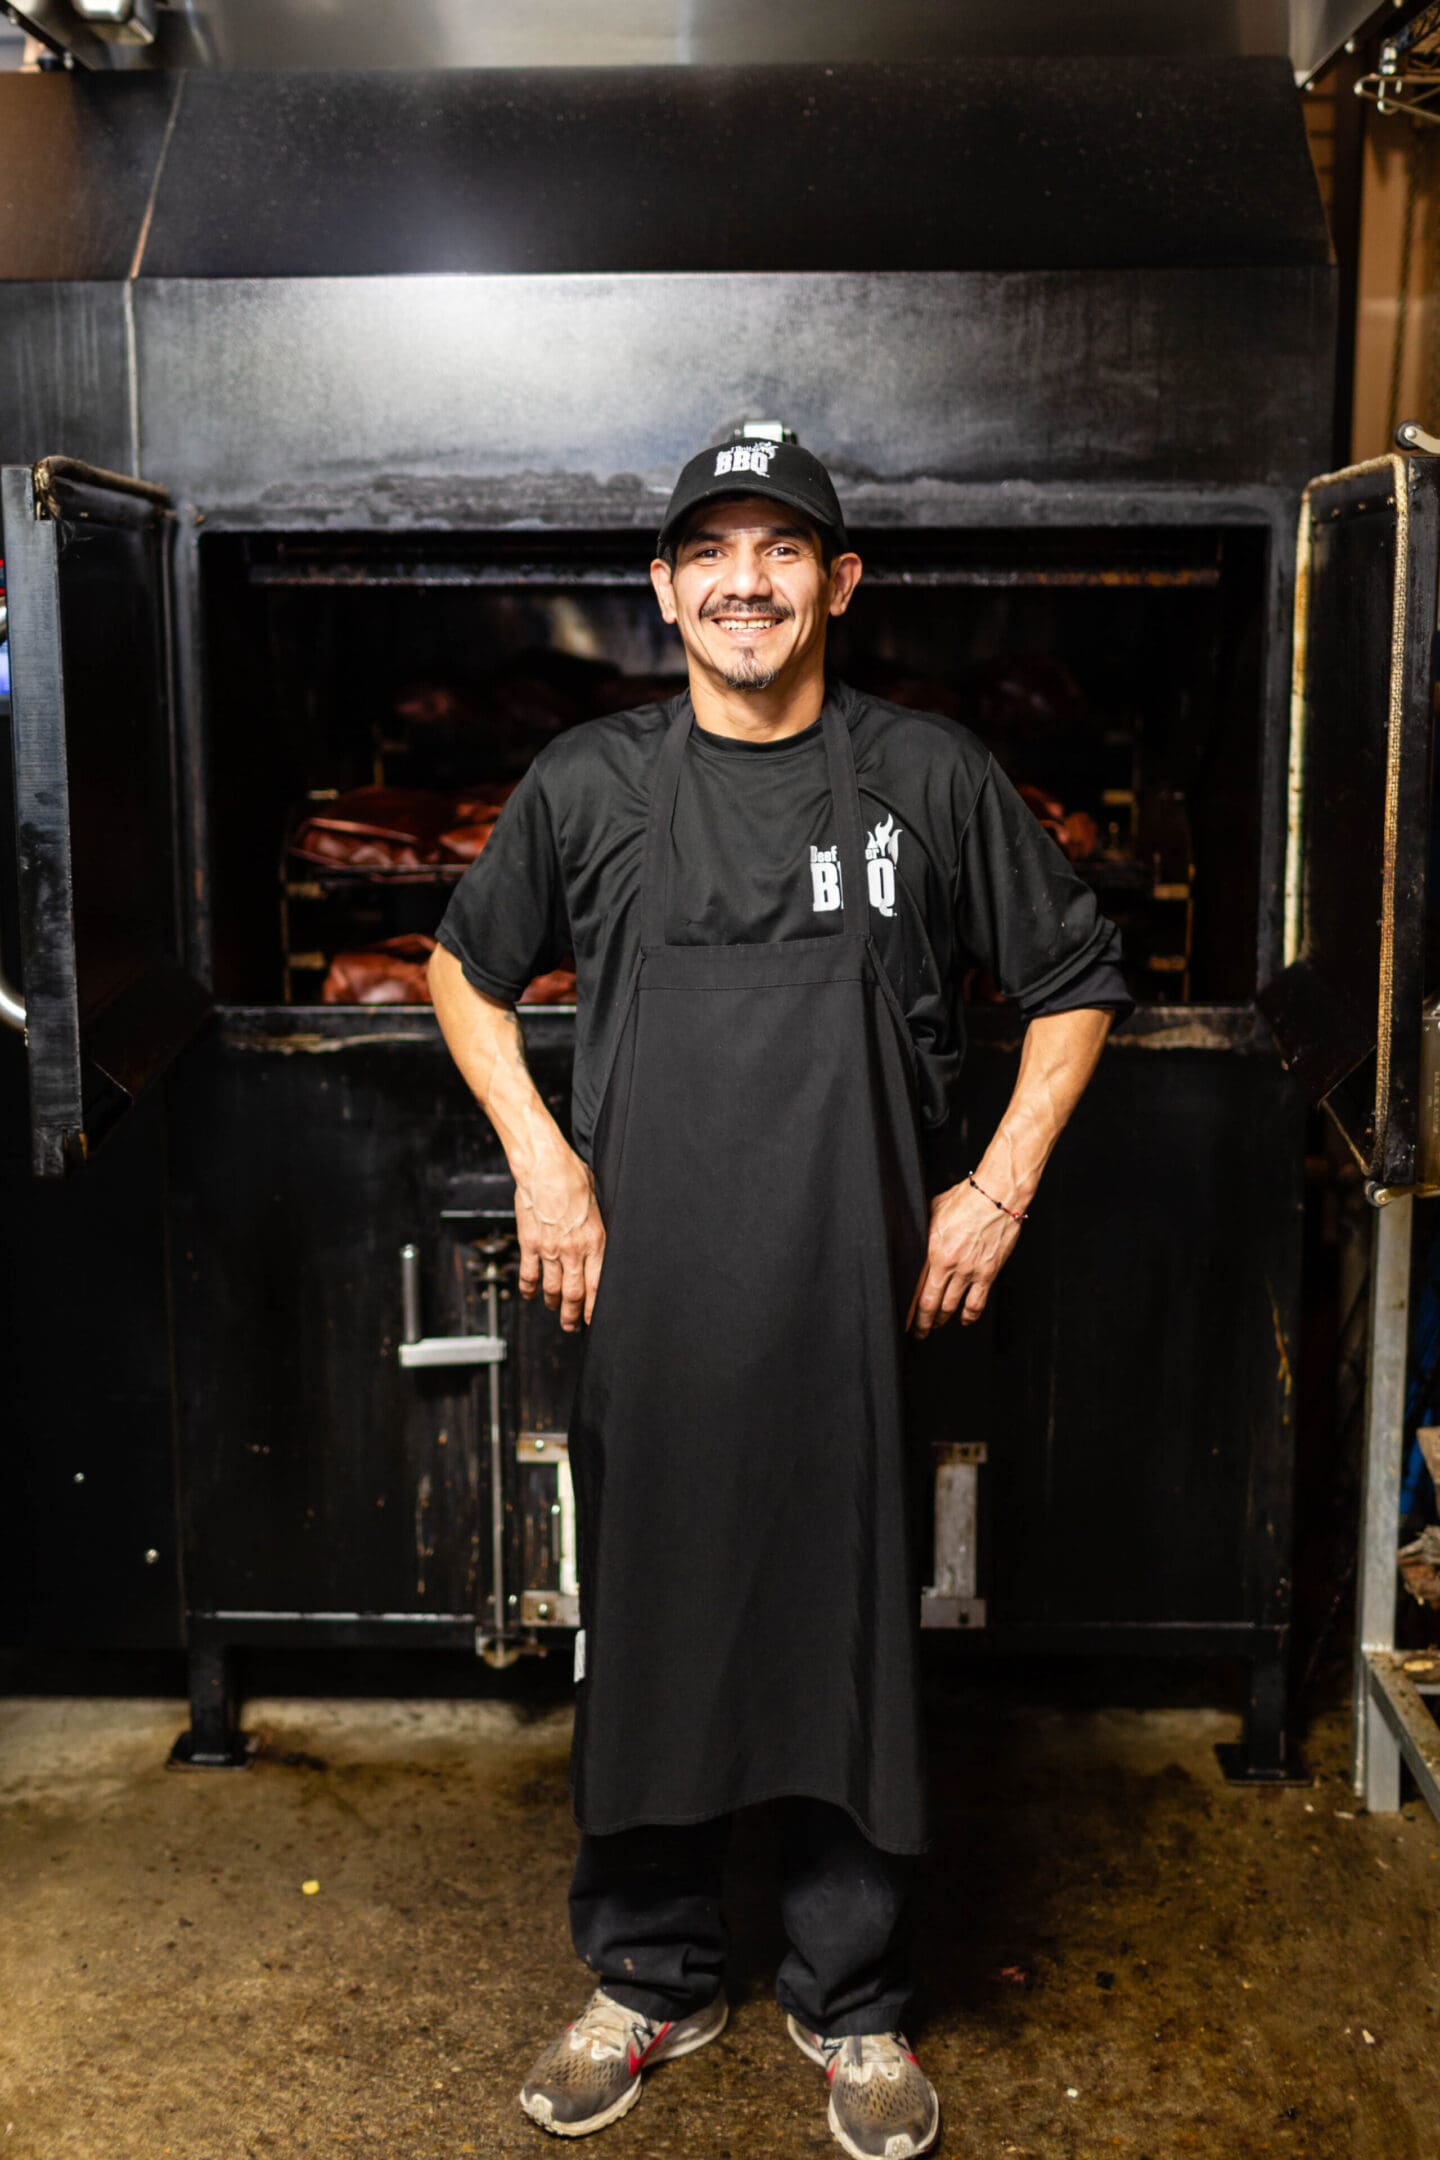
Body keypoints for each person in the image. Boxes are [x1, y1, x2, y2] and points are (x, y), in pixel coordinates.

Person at [429, 432, 1129, 2158]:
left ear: (840, 582)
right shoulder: (591, 780)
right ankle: (651, 1974)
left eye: (781, 548)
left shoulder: (926, 775)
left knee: (846, 1637)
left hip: (853, 1312)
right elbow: (461, 965)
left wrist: (999, 1185)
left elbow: (1077, 973)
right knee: (652, 1625)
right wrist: (543, 1157)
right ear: (665, 589)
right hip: (647, 1302)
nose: (745, 578)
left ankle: (856, 2001)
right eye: (711, 551)